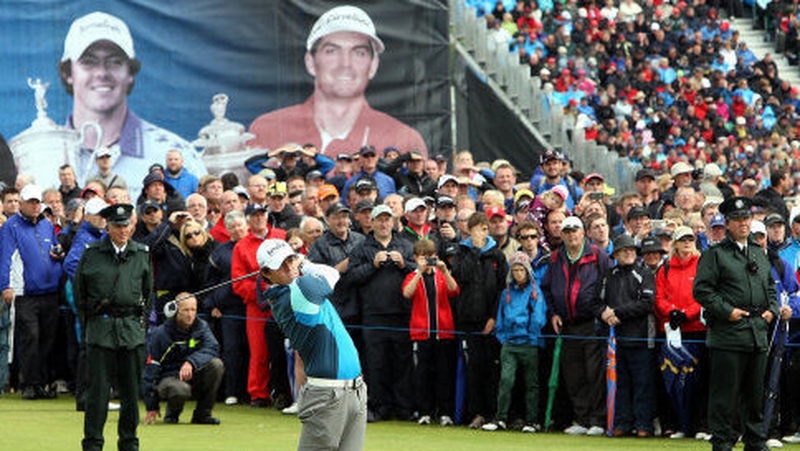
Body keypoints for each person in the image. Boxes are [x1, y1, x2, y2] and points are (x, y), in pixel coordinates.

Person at [58, 11, 206, 196]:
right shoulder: (39, 153)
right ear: (68, 73)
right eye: (88, 62)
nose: (102, 73)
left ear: (130, 73)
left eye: (115, 61)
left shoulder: (174, 152)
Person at [248, 5, 427, 156]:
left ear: (373, 65)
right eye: (332, 51)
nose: (345, 64)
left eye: (359, 52)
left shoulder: (404, 140)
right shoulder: (267, 130)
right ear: (310, 62)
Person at [257, 239, 367, 451]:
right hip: (328, 395)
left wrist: (298, 261)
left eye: (290, 259)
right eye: (281, 264)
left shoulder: (293, 288)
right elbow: (332, 273)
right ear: (266, 273)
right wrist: (303, 262)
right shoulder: (299, 291)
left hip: (354, 390)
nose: (289, 267)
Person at [693, 196, 778, 451]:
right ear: (727, 223)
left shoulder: (759, 253)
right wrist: (727, 311)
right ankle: (722, 442)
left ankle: (755, 440)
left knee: (755, 394)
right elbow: (702, 291)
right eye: (738, 219)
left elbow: (770, 286)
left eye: (746, 218)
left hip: (757, 332)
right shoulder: (715, 254)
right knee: (724, 395)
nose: (743, 223)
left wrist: (772, 310)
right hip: (728, 333)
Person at [73, 203, 151, 451]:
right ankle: (93, 443)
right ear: (108, 227)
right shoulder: (92, 253)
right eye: (117, 226)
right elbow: (80, 294)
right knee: (97, 394)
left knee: (131, 393)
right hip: (100, 330)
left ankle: (129, 443)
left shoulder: (141, 253)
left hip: (131, 331)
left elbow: (148, 294)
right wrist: (91, 323)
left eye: (126, 225)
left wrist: (139, 326)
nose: (123, 230)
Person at [541, 215, 611, 436]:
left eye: (575, 230)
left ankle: (598, 419)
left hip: (592, 323)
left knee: (594, 373)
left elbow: (609, 283)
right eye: (567, 232)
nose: (571, 235)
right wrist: (553, 313)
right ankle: (581, 418)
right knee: (574, 374)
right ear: (562, 235)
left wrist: (603, 311)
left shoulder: (597, 255)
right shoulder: (555, 258)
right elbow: (546, 288)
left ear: (583, 233)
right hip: (566, 324)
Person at [348, 204, 416, 422]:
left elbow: (419, 271)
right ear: (372, 222)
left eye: (387, 219)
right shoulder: (361, 248)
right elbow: (351, 277)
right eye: (380, 219)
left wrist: (404, 264)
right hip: (373, 315)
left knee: (402, 363)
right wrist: (373, 265)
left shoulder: (406, 246)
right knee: (376, 364)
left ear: (393, 222)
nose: (384, 223)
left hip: (401, 314)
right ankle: (379, 407)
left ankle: (403, 407)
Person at [0, 184, 63, 400]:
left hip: (50, 290)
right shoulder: (11, 227)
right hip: (25, 292)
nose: (35, 206)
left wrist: (58, 254)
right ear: (22, 204)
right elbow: (5, 258)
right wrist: (6, 285)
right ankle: (28, 383)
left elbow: (54, 248)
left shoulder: (46, 225)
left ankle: (40, 383)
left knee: (47, 339)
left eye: (38, 202)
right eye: (31, 202)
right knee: (30, 337)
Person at [450, 211, 507, 429]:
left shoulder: (497, 255)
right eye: (476, 229)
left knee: (492, 368)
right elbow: (461, 276)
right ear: (469, 230)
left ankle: (492, 413)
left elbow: (501, 289)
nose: (480, 233)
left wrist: (493, 317)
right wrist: (474, 251)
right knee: (473, 368)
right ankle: (477, 413)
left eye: (483, 229)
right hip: (468, 320)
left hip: (490, 320)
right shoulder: (462, 251)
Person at [595, 234, 656, 437]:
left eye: (632, 250)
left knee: (642, 384)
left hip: (640, 338)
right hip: (615, 339)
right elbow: (595, 302)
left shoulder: (644, 273)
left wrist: (617, 313)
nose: (629, 253)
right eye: (624, 250)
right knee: (619, 382)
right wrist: (604, 313)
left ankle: (643, 424)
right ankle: (621, 422)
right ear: (616, 254)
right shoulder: (607, 275)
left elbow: (646, 303)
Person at [481, 251, 546, 433]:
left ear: (527, 271)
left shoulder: (535, 291)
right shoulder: (506, 293)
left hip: (529, 344)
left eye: (521, 270)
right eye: (515, 270)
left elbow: (538, 316)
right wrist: (503, 337)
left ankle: (532, 420)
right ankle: (500, 418)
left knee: (531, 384)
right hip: (509, 344)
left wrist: (531, 336)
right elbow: (500, 317)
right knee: (506, 380)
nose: (518, 273)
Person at [402, 239, 459, 427]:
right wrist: (419, 271)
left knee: (444, 374)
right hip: (421, 333)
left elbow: (454, 290)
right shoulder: (412, 276)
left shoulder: (441, 275)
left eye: (430, 257)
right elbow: (407, 293)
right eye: (423, 257)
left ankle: (445, 412)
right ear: (416, 258)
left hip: (444, 332)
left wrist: (445, 271)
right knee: (422, 375)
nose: (427, 261)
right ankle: (424, 412)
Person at [142, 293, 224, 425]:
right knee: (180, 389)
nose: (190, 314)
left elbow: (212, 348)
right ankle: (172, 415)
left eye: (193, 310)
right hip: (169, 379)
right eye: (185, 310)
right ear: (175, 310)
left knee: (216, 365)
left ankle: (202, 414)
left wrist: (191, 362)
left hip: (192, 374)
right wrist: (151, 405)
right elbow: (150, 370)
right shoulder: (160, 334)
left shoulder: (202, 327)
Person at [204, 211, 250, 406]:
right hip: (229, 309)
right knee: (232, 350)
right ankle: (232, 391)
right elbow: (210, 282)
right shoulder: (220, 252)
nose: (237, 230)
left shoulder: (256, 246)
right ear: (228, 230)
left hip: (253, 306)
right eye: (232, 227)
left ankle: (251, 393)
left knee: (252, 351)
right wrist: (212, 304)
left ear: (246, 226)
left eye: (240, 225)